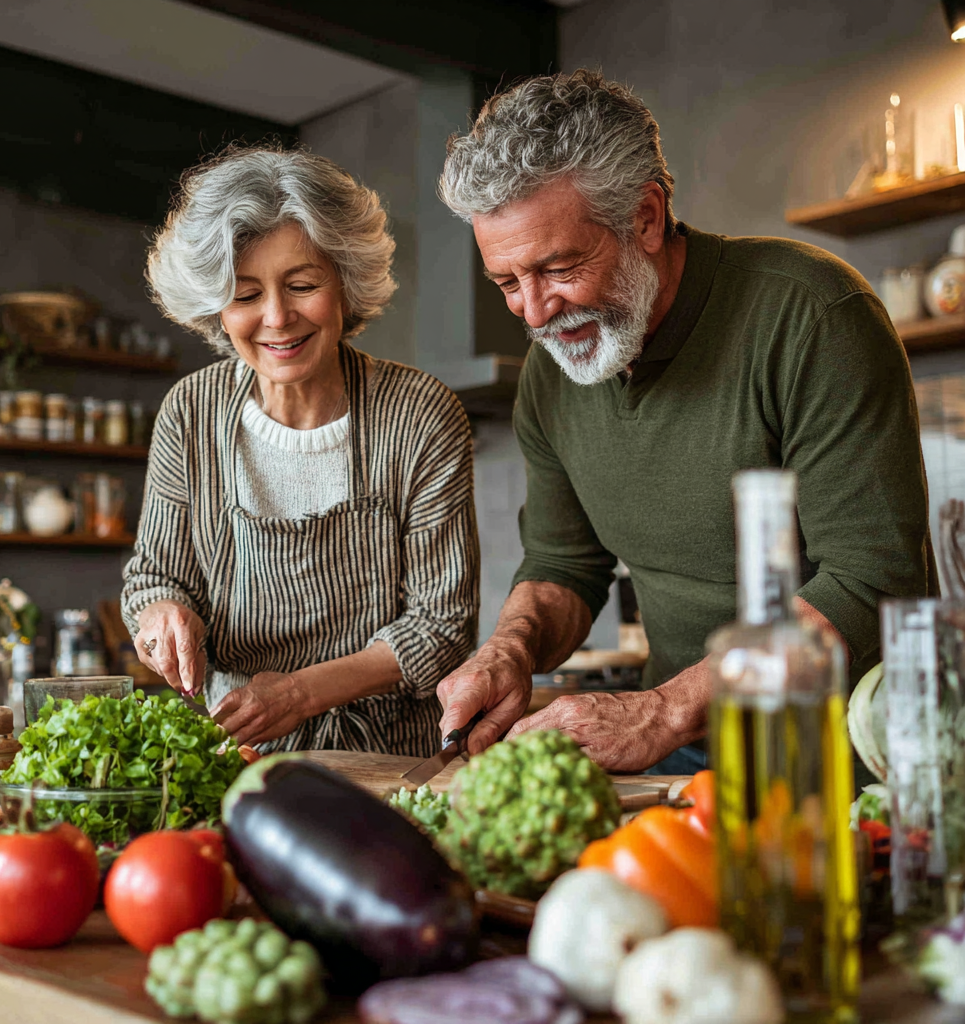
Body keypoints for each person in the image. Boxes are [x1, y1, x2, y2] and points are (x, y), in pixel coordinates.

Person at [434, 69, 931, 773]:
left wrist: (663, 710)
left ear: (645, 215)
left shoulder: (813, 314)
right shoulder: (551, 376)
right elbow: (563, 565)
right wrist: (510, 649)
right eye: (509, 283)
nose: (535, 313)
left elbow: (870, 581)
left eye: (558, 268)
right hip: (681, 756)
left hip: (852, 755)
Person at [121, 145, 479, 756]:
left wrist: (300, 693)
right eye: (245, 294)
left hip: (388, 758)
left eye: (303, 284)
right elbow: (158, 575)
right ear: (217, 308)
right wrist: (161, 617)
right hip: (237, 750)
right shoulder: (191, 412)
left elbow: (441, 626)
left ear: (346, 282)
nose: (277, 318)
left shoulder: (419, 412)